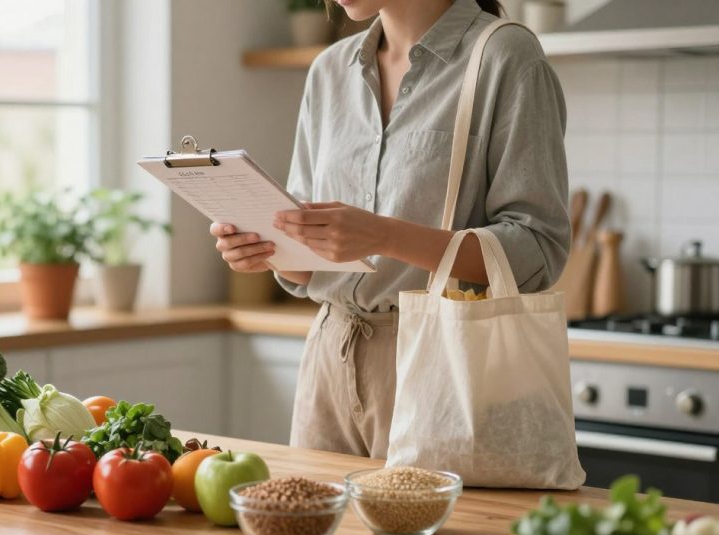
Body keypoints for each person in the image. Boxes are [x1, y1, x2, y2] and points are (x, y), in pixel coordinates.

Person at [210, 0, 570, 457]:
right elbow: (310, 261)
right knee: (314, 528)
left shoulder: (505, 57)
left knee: (445, 530)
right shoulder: (329, 71)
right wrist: (265, 247)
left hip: (443, 361)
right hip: (328, 358)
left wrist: (383, 235)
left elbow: (539, 250)